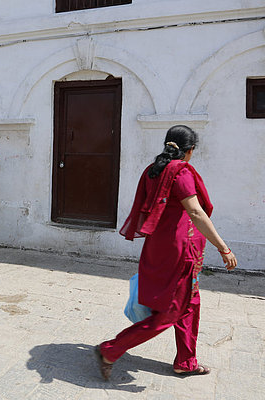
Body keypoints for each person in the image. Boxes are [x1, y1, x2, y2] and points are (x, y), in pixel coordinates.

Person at [94, 125, 237, 380]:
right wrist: (223, 247)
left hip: (160, 246)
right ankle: (110, 350)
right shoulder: (180, 173)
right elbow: (195, 212)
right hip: (179, 251)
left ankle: (186, 361)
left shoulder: (154, 170)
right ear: (190, 151)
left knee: (190, 303)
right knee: (169, 312)